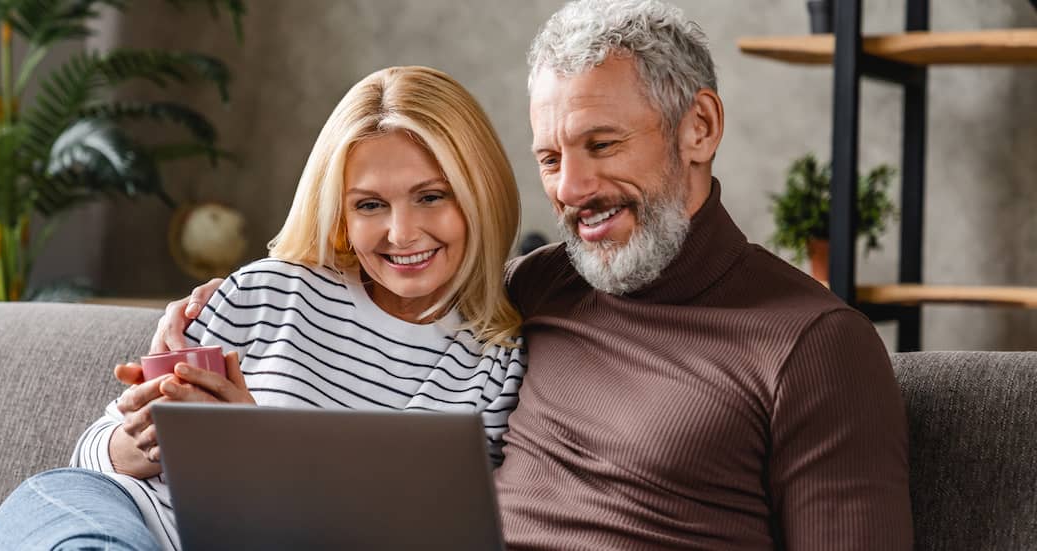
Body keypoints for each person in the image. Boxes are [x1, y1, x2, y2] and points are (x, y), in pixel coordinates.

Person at [159, 1, 913, 548]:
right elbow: (385, 307)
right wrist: (217, 317)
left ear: (700, 127)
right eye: (551, 158)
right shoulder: (531, 289)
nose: (572, 188)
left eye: (603, 144)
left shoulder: (813, 345)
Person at [0, 65, 527, 551]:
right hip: (112, 516)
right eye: (370, 205)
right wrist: (146, 436)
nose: (401, 233)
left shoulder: (493, 366)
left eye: (431, 196)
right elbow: (93, 453)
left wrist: (247, 449)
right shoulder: (269, 290)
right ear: (341, 212)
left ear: (479, 192)